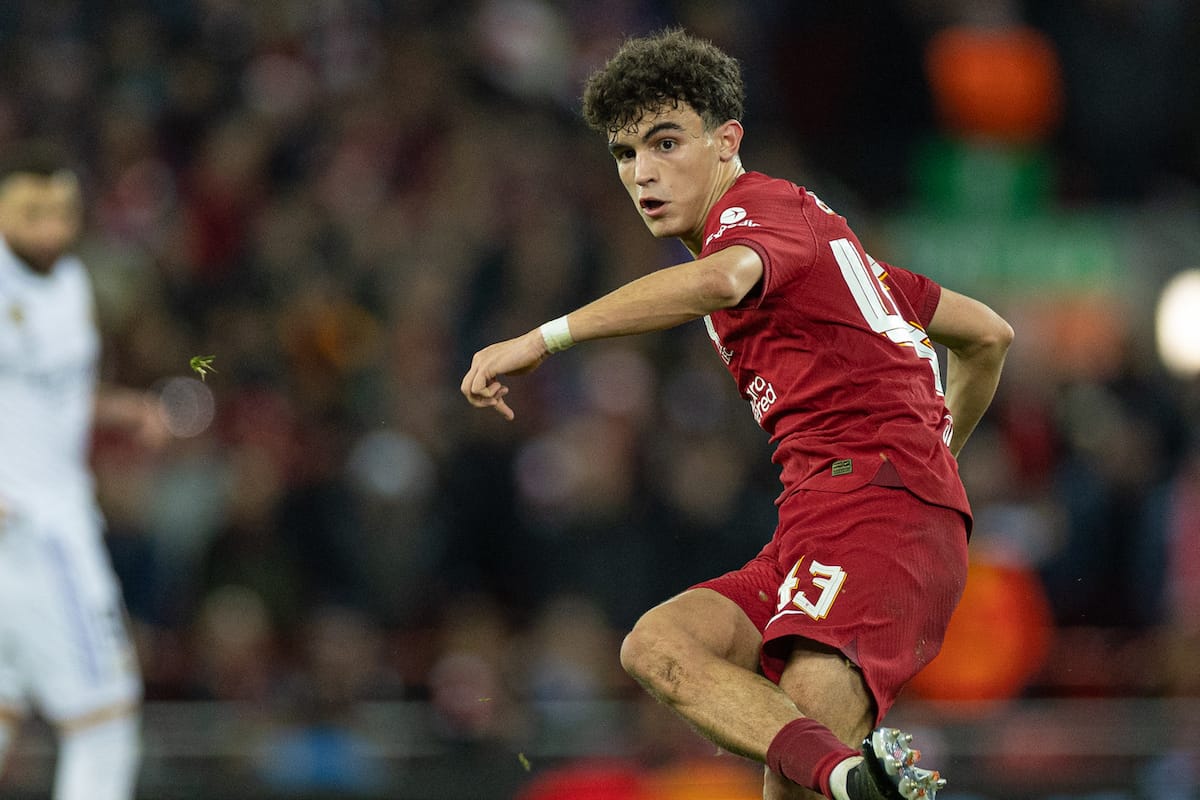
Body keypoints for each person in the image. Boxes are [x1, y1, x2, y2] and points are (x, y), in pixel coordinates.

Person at [462, 29, 1012, 800]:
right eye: (625, 154)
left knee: (793, 775)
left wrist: (543, 338)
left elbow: (723, 282)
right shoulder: (832, 247)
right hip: (825, 515)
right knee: (660, 648)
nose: (643, 172)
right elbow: (988, 335)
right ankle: (864, 782)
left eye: (665, 142)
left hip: (873, 512)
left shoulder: (755, 213)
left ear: (728, 141)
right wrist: (937, 451)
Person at [0, 142, 168, 799]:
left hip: (39, 518)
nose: (49, 224)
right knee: (106, 714)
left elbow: (42, 390)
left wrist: (122, 409)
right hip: (36, 530)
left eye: (60, 209)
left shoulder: (68, 281)